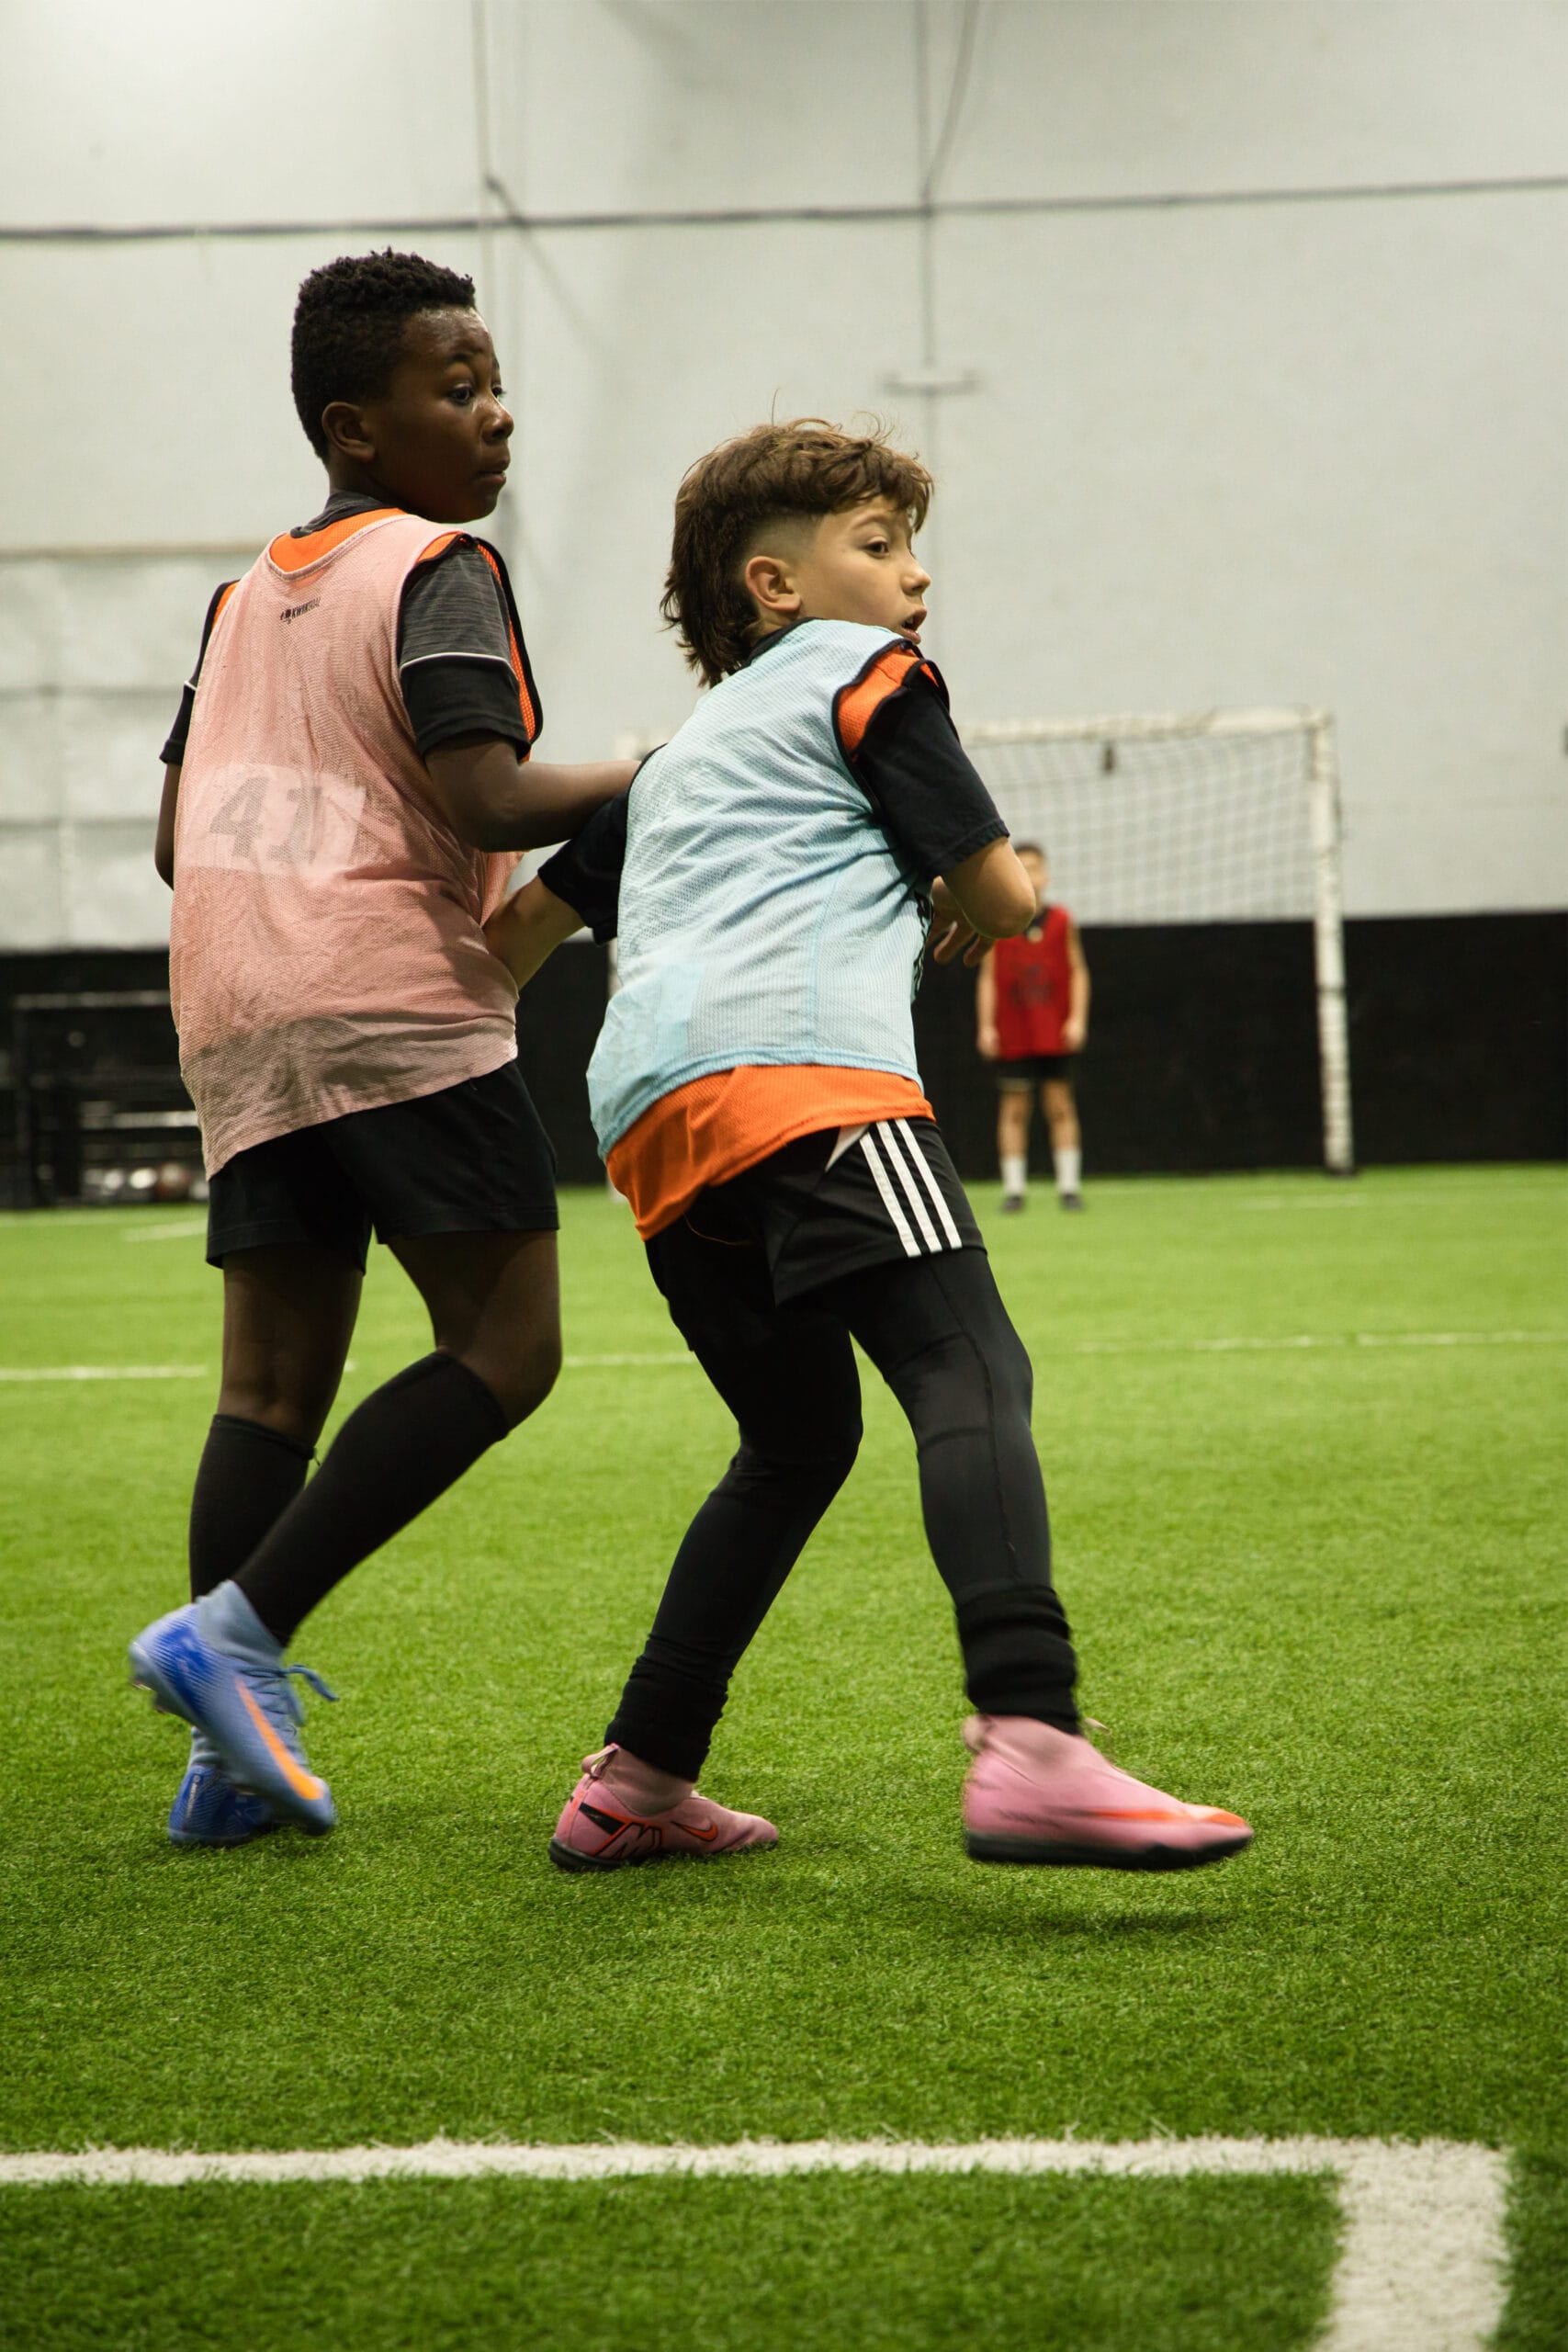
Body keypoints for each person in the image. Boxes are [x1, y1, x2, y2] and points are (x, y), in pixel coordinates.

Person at [487, 419, 1252, 1878]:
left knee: (793, 1441)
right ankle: (1030, 1736)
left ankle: (637, 1775)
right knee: (968, 1370)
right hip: (807, 1082)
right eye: (878, 544)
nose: (915, 576)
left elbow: (513, 937)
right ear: (774, 584)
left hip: (649, 1119)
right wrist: (977, 882)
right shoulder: (870, 674)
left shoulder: (673, 763)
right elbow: (1004, 899)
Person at [128, 250, 636, 1846]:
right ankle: (234, 1635)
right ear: (356, 427)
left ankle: (228, 1765)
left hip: (235, 1008)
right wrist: (660, 772)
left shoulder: (237, 600)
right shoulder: (438, 567)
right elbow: (488, 799)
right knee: (506, 1348)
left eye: (496, 388)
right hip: (392, 1002)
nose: (497, 416)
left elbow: (172, 840)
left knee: (269, 1387)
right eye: (458, 388)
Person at [975, 844, 1089, 1211]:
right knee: (1014, 1110)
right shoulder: (998, 921)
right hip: (1015, 1031)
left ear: (1046, 875)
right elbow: (988, 977)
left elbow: (1078, 971)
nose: (1030, 875)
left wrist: (1077, 1019)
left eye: (1035, 868)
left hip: (1053, 1032)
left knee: (1060, 1106)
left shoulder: (1062, 921)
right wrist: (986, 1026)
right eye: (1021, 868)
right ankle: (1014, 1190)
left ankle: (1069, 1187)